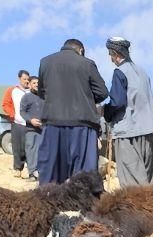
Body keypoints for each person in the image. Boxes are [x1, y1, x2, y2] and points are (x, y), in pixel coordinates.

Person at [35, 39, 105, 185]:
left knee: (50, 176)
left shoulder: (45, 62)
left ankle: (48, 204)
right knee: (84, 179)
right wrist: (86, 99)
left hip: (52, 123)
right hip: (82, 125)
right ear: (80, 50)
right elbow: (102, 92)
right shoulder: (86, 63)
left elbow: (42, 92)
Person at [104, 37, 153, 187]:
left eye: (110, 55)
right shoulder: (143, 72)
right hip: (147, 131)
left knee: (132, 185)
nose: (111, 59)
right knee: (150, 180)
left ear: (115, 53)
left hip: (128, 132)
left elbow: (118, 102)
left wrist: (106, 112)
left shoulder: (120, 72)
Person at [3, 69, 30, 176]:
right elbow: (5, 104)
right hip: (17, 123)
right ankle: (18, 168)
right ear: (19, 79)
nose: (26, 81)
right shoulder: (12, 90)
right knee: (17, 147)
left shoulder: (31, 91)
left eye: (28, 79)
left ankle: (31, 169)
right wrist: (12, 115)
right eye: (24, 79)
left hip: (30, 124)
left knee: (29, 146)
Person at [18, 76, 42, 179]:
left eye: (38, 83)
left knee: (42, 150)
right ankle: (32, 172)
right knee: (31, 150)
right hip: (31, 129)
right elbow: (22, 111)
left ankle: (41, 172)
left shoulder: (45, 97)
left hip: (44, 129)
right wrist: (30, 120)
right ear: (30, 84)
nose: (36, 85)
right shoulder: (26, 97)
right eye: (34, 83)